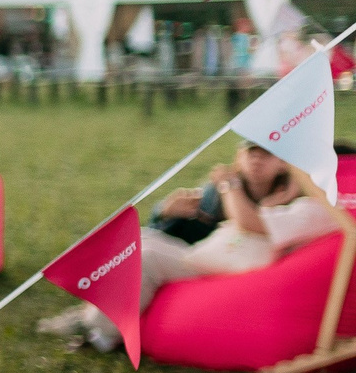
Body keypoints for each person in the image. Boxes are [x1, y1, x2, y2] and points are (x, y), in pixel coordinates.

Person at [46, 139, 338, 353]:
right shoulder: (289, 202)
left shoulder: (314, 210)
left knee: (145, 256)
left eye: (269, 155)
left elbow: (250, 223)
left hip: (221, 268)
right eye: (252, 152)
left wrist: (230, 186)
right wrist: (164, 211)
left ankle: (101, 334)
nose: (258, 161)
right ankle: (91, 313)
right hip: (208, 255)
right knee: (136, 239)